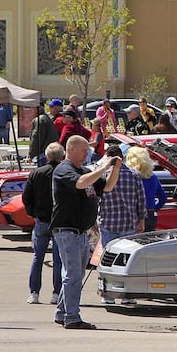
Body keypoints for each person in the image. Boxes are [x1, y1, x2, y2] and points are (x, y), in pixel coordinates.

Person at [51, 135, 121, 329]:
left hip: (81, 231)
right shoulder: (64, 170)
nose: (86, 154)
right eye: (83, 151)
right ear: (71, 149)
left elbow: (107, 187)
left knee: (76, 273)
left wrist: (115, 168)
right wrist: (104, 166)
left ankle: (62, 312)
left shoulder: (84, 170)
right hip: (67, 230)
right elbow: (80, 183)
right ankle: (72, 317)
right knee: (72, 274)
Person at [97, 145, 146, 305]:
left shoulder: (102, 175)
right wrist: (142, 219)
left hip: (108, 223)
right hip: (128, 223)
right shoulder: (134, 175)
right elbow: (141, 199)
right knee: (127, 262)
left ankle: (108, 295)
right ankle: (128, 296)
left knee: (107, 260)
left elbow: (96, 200)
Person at [22, 142, 64, 306]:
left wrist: (33, 214)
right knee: (58, 259)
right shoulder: (64, 173)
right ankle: (56, 293)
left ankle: (34, 292)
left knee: (37, 257)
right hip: (59, 221)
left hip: (41, 220)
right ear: (62, 156)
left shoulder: (37, 173)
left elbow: (26, 198)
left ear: (47, 156)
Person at [125, 146, 166, 233]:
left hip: (133, 215)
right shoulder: (152, 177)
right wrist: (153, 209)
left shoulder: (130, 177)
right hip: (150, 215)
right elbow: (163, 198)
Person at [29, 100, 60, 166]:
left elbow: (36, 137)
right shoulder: (46, 118)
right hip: (49, 151)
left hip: (43, 154)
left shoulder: (40, 119)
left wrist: (31, 155)